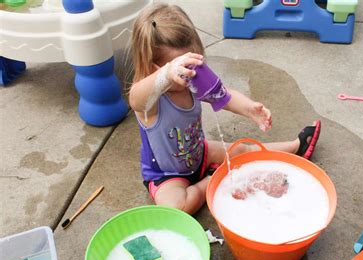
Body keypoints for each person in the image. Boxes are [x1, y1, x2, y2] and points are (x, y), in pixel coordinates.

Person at [129, 4, 321, 214]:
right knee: (178, 207)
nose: (189, 74)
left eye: (192, 65)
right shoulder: (150, 103)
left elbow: (225, 96)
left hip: (200, 153)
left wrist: (250, 109)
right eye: (181, 70)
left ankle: (294, 147)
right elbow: (135, 98)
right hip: (167, 175)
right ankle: (214, 179)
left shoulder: (192, 79)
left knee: (242, 150)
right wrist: (166, 75)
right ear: (152, 68)